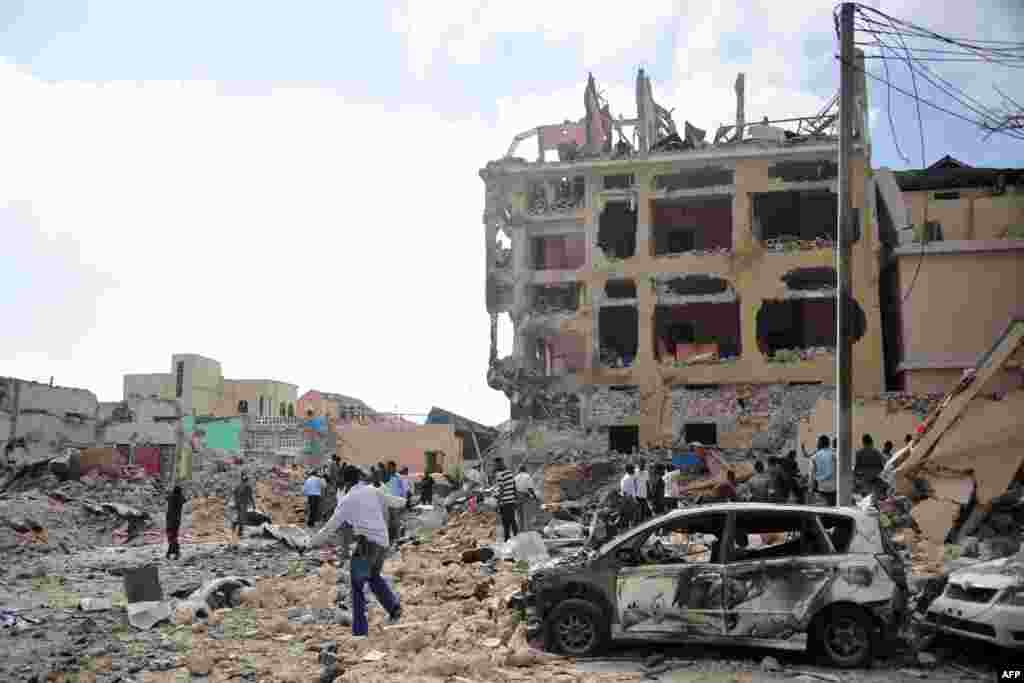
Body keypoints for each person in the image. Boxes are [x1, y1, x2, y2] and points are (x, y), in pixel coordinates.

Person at [306, 466, 404, 637]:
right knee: (373, 576)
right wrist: (406, 501)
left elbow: (330, 528)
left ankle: (360, 631)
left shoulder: (347, 500)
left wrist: (310, 543)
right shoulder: (373, 491)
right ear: (359, 477)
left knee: (357, 585)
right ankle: (394, 608)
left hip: (367, 544)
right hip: (383, 542)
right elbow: (394, 501)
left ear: (345, 481)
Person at [494, 458, 519, 541]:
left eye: (496, 464)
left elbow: (501, 489)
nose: (495, 466)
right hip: (511, 501)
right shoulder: (509, 473)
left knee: (506, 521)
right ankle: (514, 537)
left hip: (505, 502)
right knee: (511, 520)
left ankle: (508, 538)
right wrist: (515, 498)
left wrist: (498, 502)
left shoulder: (500, 474)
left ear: (500, 463)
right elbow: (514, 485)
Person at [812, 435, 837, 506]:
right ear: (828, 443)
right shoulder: (834, 455)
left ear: (819, 443)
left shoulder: (814, 457)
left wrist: (811, 489)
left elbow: (812, 475)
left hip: (821, 489)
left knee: (823, 511)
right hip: (834, 488)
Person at [513, 465, 538, 532]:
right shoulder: (527, 476)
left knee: (519, 515)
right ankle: (528, 529)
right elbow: (530, 488)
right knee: (527, 514)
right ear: (525, 469)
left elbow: (513, 488)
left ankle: (520, 529)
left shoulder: (515, 477)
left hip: (517, 497)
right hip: (525, 496)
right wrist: (534, 496)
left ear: (519, 470)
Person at [166, 485, 186, 560]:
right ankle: (174, 552)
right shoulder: (180, 498)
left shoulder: (171, 497)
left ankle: (172, 552)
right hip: (176, 520)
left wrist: (170, 492)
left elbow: (167, 497)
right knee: (173, 536)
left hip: (169, 519)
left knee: (171, 536)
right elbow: (184, 500)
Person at [233, 472, 256, 537]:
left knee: (240, 517)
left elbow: (234, 494)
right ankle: (240, 533)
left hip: (238, 503)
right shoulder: (248, 486)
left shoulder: (238, 486)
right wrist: (253, 504)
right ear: (247, 480)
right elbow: (250, 496)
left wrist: (236, 502)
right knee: (242, 518)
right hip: (243, 504)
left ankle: (236, 530)